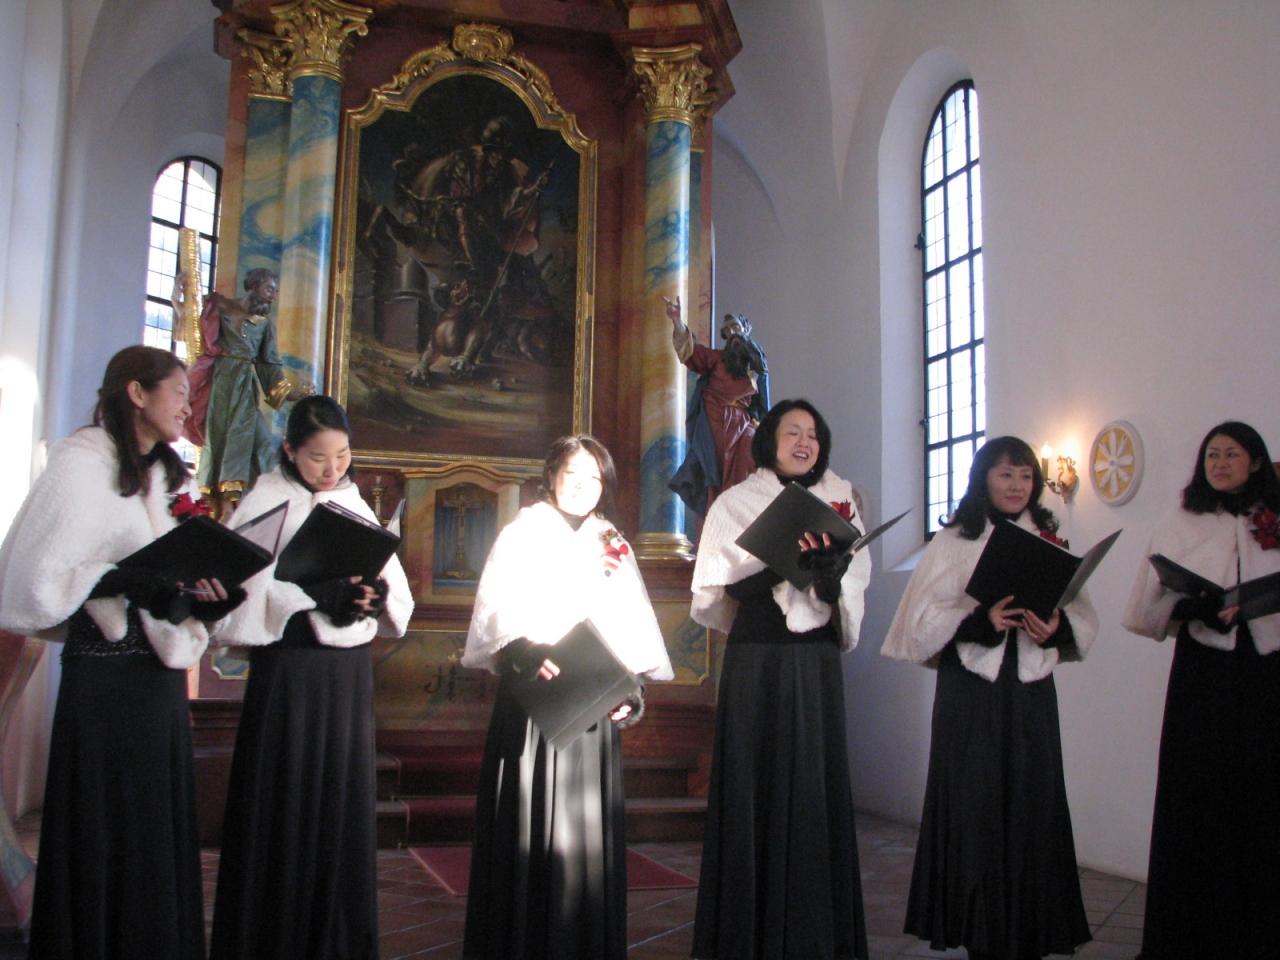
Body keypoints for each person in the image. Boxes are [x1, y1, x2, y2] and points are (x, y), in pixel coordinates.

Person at [0, 345, 244, 959]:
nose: (188, 405)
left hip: (158, 680)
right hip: (104, 681)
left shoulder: (165, 478)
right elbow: (34, 575)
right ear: (137, 393)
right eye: (179, 392)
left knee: (152, 826)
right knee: (102, 825)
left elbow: (167, 579)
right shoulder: (81, 462)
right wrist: (122, 580)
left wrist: (202, 600)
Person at [208, 395, 414, 960]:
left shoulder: (351, 500)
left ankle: (336, 941)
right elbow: (238, 596)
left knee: (338, 805)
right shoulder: (265, 499)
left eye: (342, 455)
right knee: (284, 799)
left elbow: (393, 592)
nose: (332, 469)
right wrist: (309, 598)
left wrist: (370, 599)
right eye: (318, 457)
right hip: (290, 673)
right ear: (289, 450)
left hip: (345, 678)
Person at [881, 436, 1097, 960]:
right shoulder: (954, 541)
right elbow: (920, 623)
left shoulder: (1049, 539)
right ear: (984, 478)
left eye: (1025, 475)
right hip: (970, 695)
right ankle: (979, 933)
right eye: (1005, 474)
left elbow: (1082, 615)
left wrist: (1056, 627)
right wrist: (980, 619)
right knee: (973, 807)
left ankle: (1030, 930)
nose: (1017, 484)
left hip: (1029, 694)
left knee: (1032, 805)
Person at [460, 435, 674, 960]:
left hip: (593, 712)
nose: (582, 486)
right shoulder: (522, 533)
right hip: (535, 708)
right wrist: (525, 649)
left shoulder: (611, 541)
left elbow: (632, 625)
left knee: (586, 839)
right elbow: (495, 612)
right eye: (572, 474)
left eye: (594, 477)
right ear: (551, 477)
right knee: (527, 830)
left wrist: (630, 693)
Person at [690, 398, 870, 960]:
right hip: (759, 661)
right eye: (792, 432)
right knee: (755, 788)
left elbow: (849, 589)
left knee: (814, 787)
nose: (804, 442)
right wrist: (780, 558)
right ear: (769, 440)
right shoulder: (735, 502)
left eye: (812, 434)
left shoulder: (840, 500)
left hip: (814, 661)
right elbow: (720, 588)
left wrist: (830, 576)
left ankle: (816, 936)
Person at [1121, 421, 1280, 959]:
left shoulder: (1274, 518)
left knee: (1261, 801)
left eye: (1232, 454)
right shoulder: (1180, 520)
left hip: (1265, 674)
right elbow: (1146, 607)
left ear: (1254, 461)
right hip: (1204, 675)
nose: (1220, 463)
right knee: (1199, 799)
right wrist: (1194, 608)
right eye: (1212, 454)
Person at [180, 267, 309, 509]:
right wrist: (182, 296)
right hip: (220, 382)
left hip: (244, 386)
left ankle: (261, 499)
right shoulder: (221, 306)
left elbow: (269, 363)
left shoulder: (264, 324)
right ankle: (221, 503)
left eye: (275, 291)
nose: (273, 296)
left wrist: (290, 393)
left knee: (262, 443)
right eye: (269, 289)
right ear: (254, 285)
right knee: (217, 438)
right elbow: (199, 329)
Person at [666, 295, 770, 516]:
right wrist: (676, 320)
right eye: (727, 330)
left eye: (736, 327)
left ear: (746, 329)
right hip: (715, 424)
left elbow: (763, 404)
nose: (732, 333)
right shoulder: (716, 358)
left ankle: (741, 516)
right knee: (713, 475)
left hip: (742, 425)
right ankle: (718, 518)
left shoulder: (756, 364)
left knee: (750, 458)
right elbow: (690, 352)